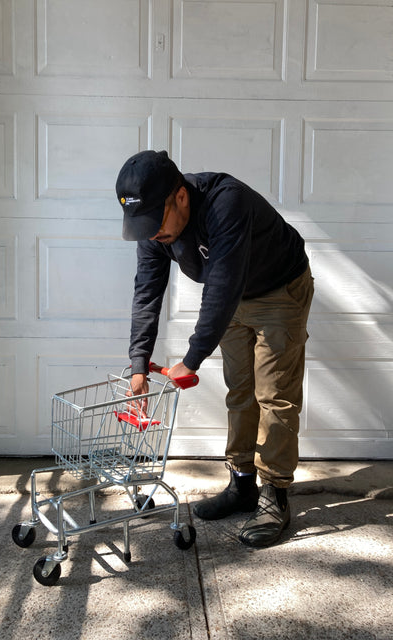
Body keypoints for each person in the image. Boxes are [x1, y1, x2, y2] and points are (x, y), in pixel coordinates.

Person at [115, 150, 314, 547]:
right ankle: (242, 485)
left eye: (156, 221)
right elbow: (147, 290)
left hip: (279, 289)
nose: (153, 233)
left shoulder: (227, 202)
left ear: (181, 197)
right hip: (233, 299)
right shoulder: (155, 229)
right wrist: (138, 362)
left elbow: (221, 283)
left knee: (273, 396)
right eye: (144, 226)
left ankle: (275, 494)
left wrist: (191, 359)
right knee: (240, 390)